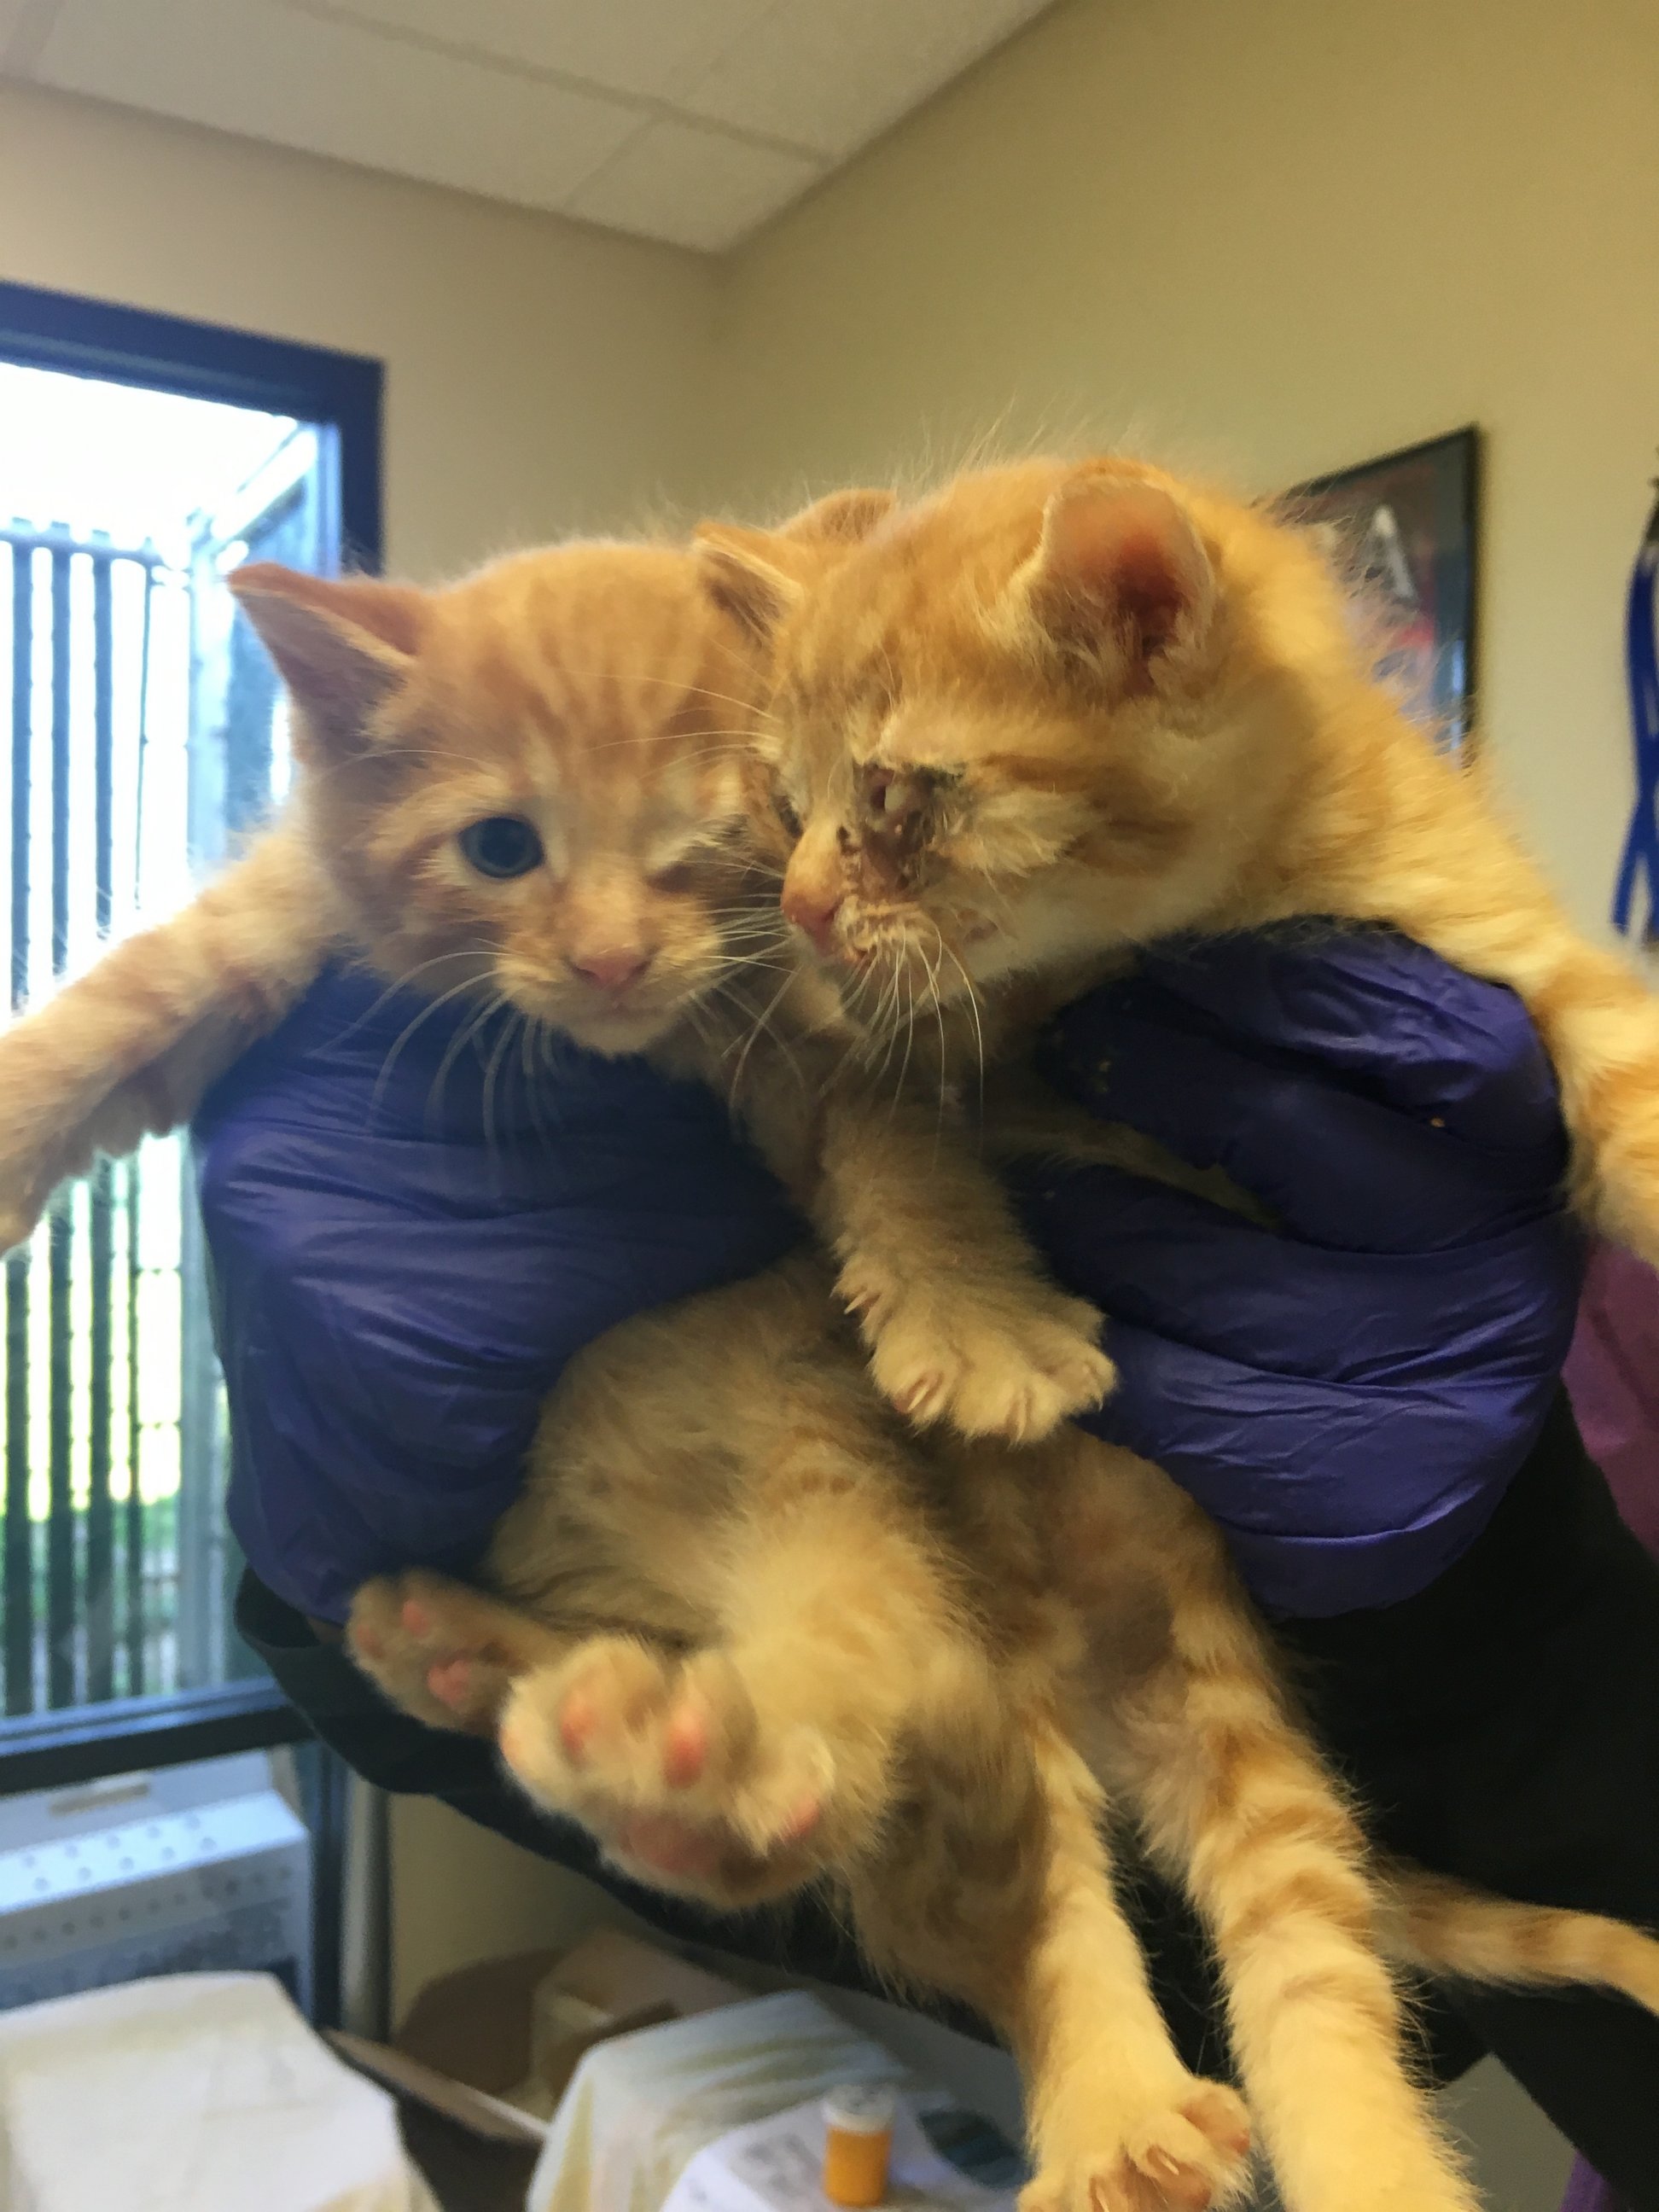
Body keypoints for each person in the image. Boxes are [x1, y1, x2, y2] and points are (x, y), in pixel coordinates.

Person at [199, 929, 1659, 2209]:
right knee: (887, 1604)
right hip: (880, 1540)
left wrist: (1513, 1660)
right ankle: (709, 1714)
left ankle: (726, 1720)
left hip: (1024, 1554)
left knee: (901, 1607)